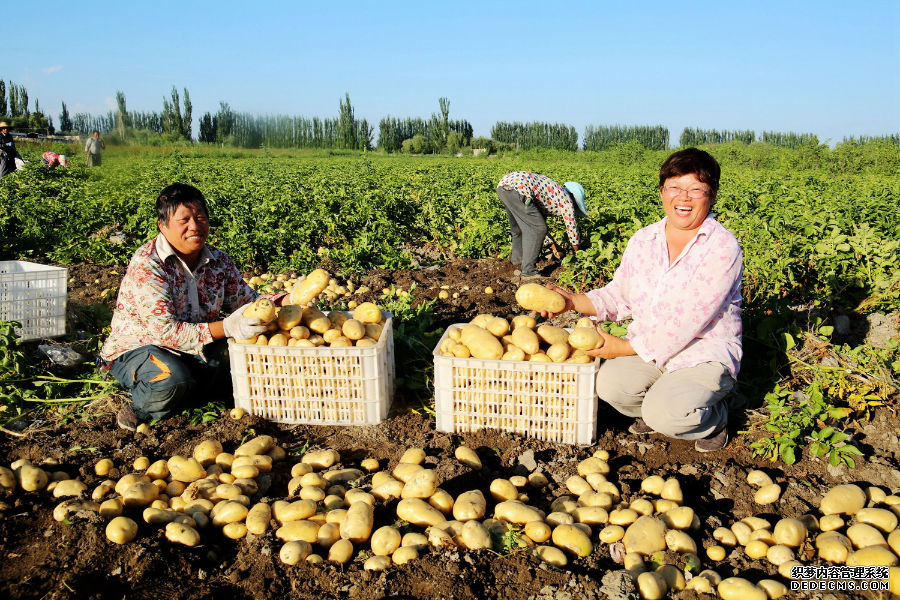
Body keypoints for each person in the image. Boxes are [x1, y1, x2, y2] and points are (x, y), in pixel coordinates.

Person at [541, 148, 743, 452]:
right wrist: (571, 302)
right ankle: (659, 405)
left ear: (711, 195)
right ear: (662, 191)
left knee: (668, 415)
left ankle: (714, 418)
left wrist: (624, 348)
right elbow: (618, 294)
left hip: (702, 351)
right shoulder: (644, 240)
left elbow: (688, 321)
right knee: (611, 386)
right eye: (674, 187)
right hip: (650, 346)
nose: (683, 197)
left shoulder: (722, 247)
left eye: (695, 189)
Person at [99, 183, 293, 430]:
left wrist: (289, 300)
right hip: (141, 347)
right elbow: (165, 333)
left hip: (195, 347)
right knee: (171, 380)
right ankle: (139, 407)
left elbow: (247, 301)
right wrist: (229, 326)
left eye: (200, 218)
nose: (195, 226)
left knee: (248, 353)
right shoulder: (148, 265)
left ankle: (192, 392)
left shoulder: (218, 260)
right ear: (163, 225)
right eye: (184, 220)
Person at [496, 172, 587, 279]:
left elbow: (537, 226)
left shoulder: (552, 194)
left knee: (519, 228)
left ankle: (517, 261)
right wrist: (579, 254)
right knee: (538, 228)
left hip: (504, 187)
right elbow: (572, 229)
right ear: (575, 199)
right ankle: (529, 272)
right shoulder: (566, 199)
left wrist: (554, 247)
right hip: (519, 189)